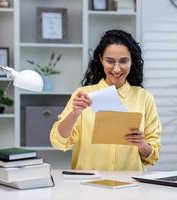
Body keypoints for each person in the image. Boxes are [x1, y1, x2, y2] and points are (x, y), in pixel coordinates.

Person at [50, 29, 162, 171]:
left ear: (132, 60)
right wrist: (74, 114)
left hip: (130, 185)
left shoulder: (144, 98)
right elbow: (58, 142)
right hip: (88, 185)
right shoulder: (82, 95)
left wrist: (142, 144)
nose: (116, 69)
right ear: (101, 59)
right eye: (110, 61)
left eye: (123, 61)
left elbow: (152, 155)